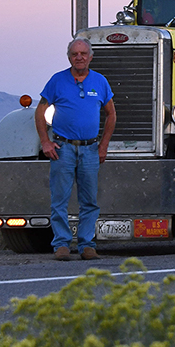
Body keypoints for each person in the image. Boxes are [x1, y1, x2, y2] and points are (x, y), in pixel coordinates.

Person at [35, 37, 116, 261]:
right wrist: (45, 142)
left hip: (90, 149)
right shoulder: (57, 81)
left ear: (91, 57)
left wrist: (103, 145)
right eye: (74, 54)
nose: (79, 57)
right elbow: (40, 111)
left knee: (89, 201)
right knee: (60, 199)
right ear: (69, 57)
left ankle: (86, 245)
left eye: (83, 54)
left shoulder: (100, 81)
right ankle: (61, 244)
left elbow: (111, 114)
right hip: (63, 148)